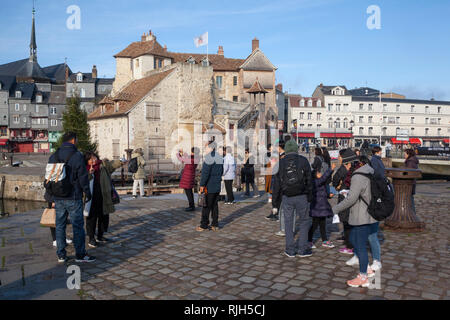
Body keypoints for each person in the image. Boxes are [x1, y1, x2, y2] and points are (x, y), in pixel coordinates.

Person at [332, 156, 378, 288]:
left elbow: (351, 199)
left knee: (360, 244)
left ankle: (363, 276)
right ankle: (367, 268)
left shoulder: (358, 176)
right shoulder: (371, 171)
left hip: (361, 215)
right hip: (370, 213)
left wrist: (335, 209)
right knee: (353, 238)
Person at [48, 132, 94, 263]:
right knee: (77, 226)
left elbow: (50, 177)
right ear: (73, 140)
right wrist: (87, 192)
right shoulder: (77, 155)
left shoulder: (54, 155)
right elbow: (83, 177)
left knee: (60, 225)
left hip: (58, 196)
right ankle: (80, 254)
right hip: (73, 196)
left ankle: (61, 254)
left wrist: (51, 196)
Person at [272, 140, 313, 258]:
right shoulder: (304, 161)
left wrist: (275, 203)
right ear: (296, 149)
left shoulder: (281, 162)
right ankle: (302, 249)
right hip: (302, 195)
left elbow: (277, 185)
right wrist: (310, 196)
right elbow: (309, 180)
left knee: (288, 223)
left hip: (287, 196)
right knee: (304, 222)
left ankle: (290, 250)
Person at [84, 152, 123, 248]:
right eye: (90, 159)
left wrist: (121, 162)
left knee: (104, 216)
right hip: (91, 198)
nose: (93, 160)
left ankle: (100, 236)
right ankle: (91, 238)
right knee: (91, 218)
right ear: (87, 161)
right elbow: (83, 182)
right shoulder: (84, 169)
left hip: (103, 196)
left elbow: (112, 165)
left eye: (94, 158)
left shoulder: (103, 166)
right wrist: (90, 174)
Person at [332, 149, 358, 256]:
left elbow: (334, 181)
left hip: (344, 198)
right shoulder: (356, 168)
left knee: (346, 221)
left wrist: (338, 185)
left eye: (339, 156)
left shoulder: (342, 169)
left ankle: (349, 246)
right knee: (351, 221)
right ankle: (352, 242)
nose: (338, 158)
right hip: (354, 197)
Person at [308, 162, 337, 249]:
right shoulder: (315, 182)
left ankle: (324, 240)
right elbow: (324, 178)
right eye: (318, 173)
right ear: (315, 176)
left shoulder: (319, 183)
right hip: (317, 208)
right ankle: (308, 240)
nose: (320, 173)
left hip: (322, 208)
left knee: (323, 225)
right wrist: (331, 169)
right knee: (314, 225)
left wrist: (329, 195)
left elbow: (322, 192)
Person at [197, 141, 224, 232]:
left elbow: (205, 173)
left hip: (209, 186)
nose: (205, 149)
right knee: (214, 206)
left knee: (206, 206)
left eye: (206, 147)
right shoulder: (220, 158)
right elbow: (221, 171)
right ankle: (215, 224)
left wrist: (202, 185)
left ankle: (204, 224)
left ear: (211, 148)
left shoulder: (209, 158)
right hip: (217, 185)